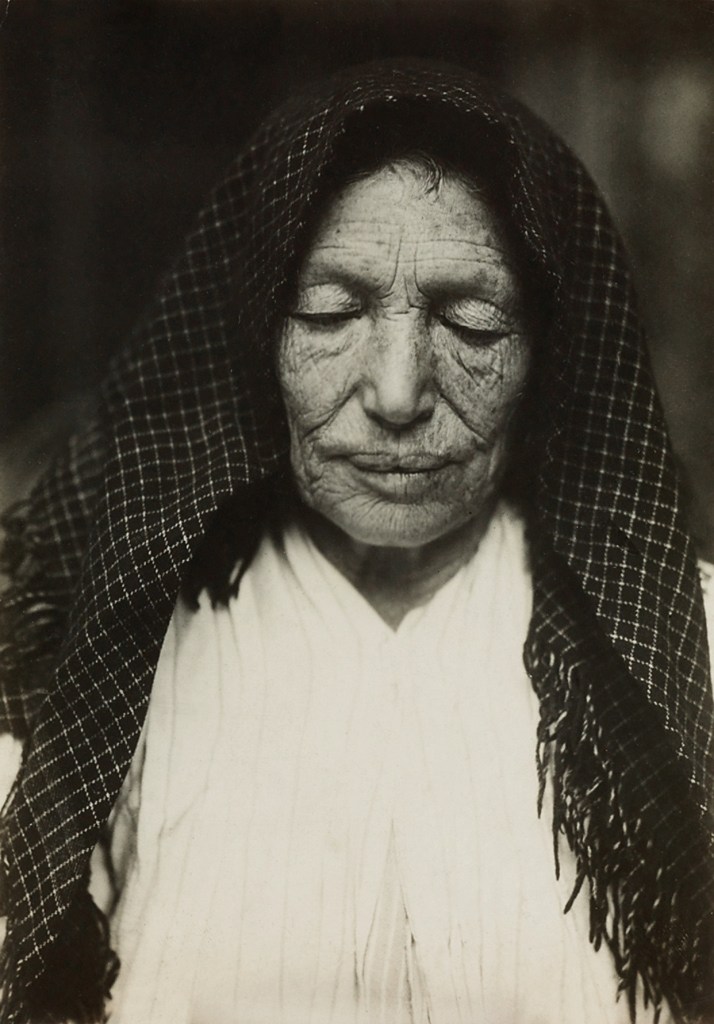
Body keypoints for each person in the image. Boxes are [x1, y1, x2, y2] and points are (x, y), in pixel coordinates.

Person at [0, 58, 712, 1024]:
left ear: (547, 352)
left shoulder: (689, 645)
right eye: (330, 315)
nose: (397, 393)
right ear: (257, 337)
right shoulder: (83, 663)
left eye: (473, 326)